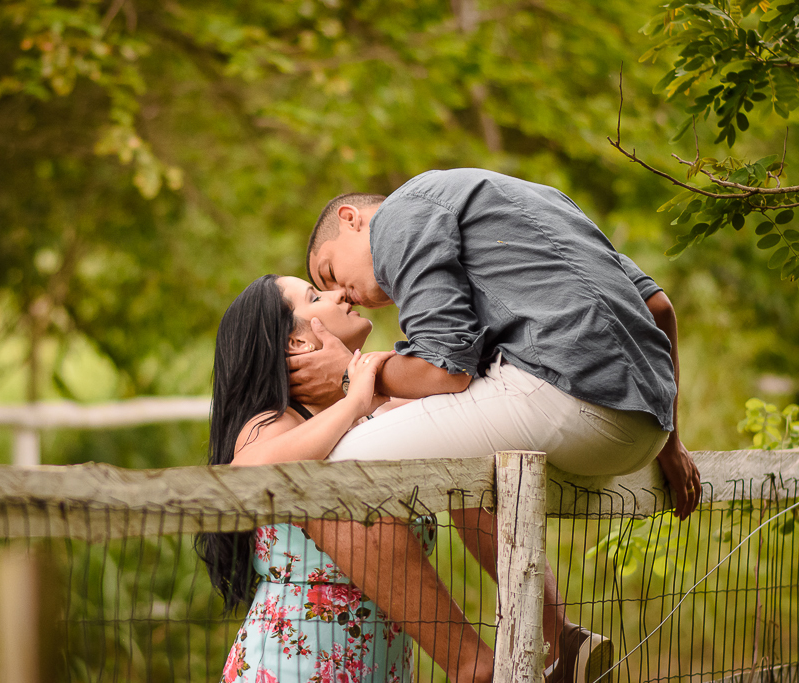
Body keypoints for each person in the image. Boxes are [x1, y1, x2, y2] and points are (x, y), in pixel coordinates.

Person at [290, 168, 703, 683]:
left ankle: (472, 669)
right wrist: (670, 438)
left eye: (329, 272)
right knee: (464, 469)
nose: (342, 295)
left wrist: (355, 375)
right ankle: (565, 643)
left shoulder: (398, 214)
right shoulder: (538, 198)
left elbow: (446, 369)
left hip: (567, 399)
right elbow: (658, 307)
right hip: (638, 436)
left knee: (336, 476)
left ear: (351, 220)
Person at [198, 274, 491, 683]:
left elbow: (460, 389)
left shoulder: (378, 415)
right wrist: (352, 401)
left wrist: (357, 390)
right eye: (315, 296)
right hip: (290, 671)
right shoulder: (276, 423)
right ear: (296, 342)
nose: (339, 294)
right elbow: (243, 480)